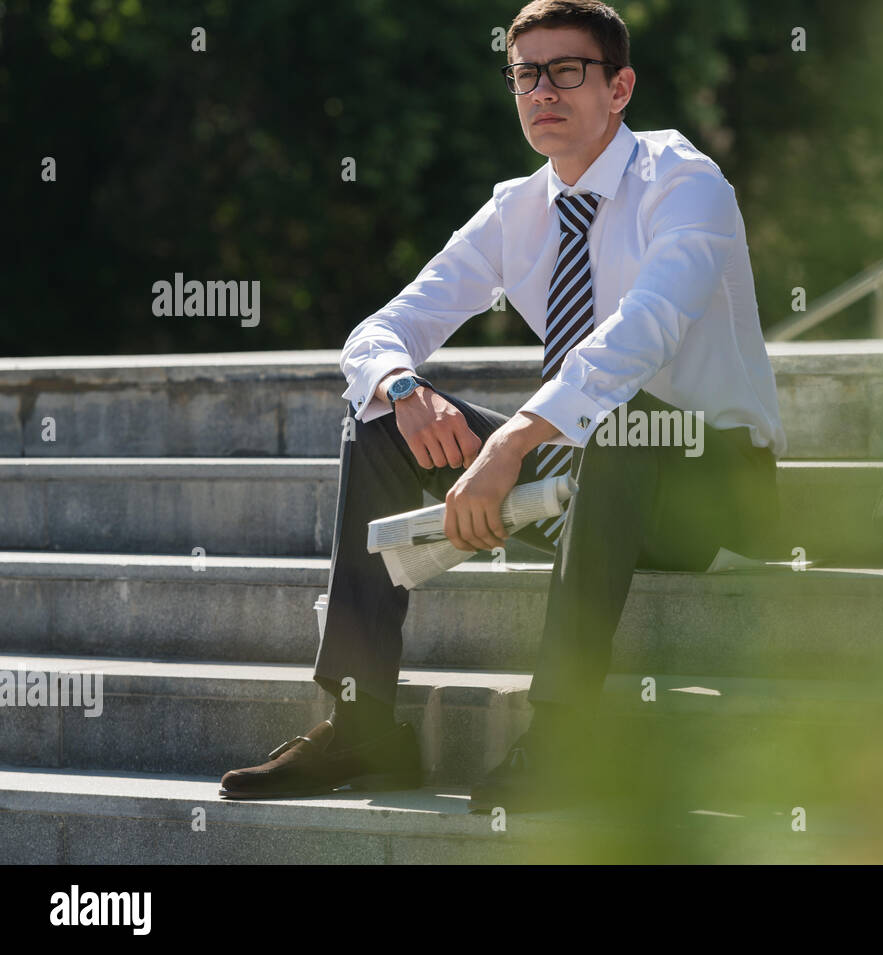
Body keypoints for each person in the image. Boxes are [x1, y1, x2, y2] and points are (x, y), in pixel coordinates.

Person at [218, 0, 786, 813]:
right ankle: (361, 721)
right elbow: (380, 330)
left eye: (567, 71)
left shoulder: (685, 182)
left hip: (713, 490)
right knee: (379, 420)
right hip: (581, 477)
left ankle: (561, 736)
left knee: (624, 418)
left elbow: (642, 332)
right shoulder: (517, 208)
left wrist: (510, 441)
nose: (542, 90)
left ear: (620, 86)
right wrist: (402, 388)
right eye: (526, 74)